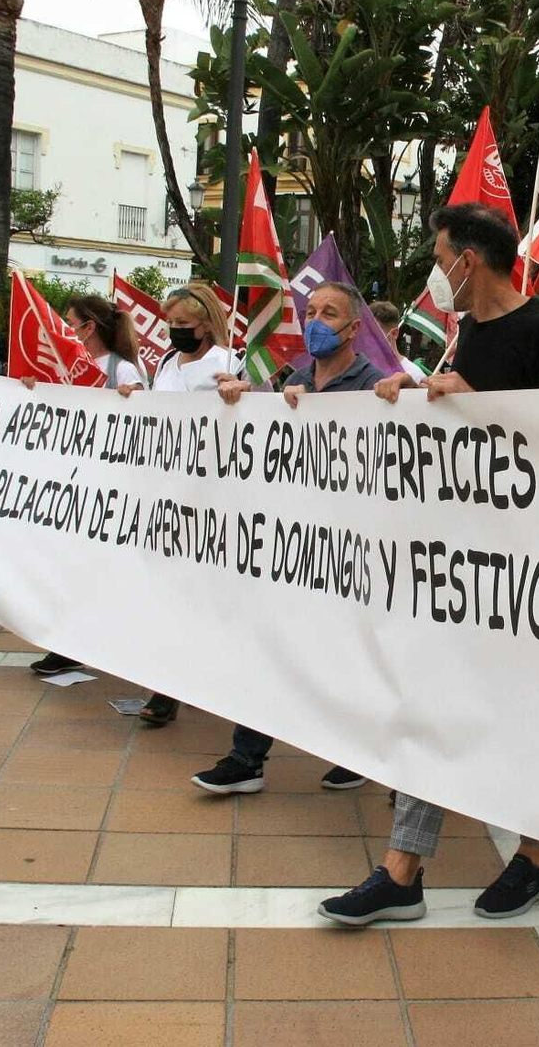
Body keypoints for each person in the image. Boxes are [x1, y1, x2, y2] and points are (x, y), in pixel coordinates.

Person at [319, 201, 539, 926]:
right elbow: (464, 431)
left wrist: (479, 399)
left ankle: (534, 856)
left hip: (530, 566)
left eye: (440, 258)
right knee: (432, 702)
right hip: (462, 560)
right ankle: (403, 870)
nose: (437, 273)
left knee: (519, 714)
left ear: (470, 258)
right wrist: (411, 395)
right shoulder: (466, 331)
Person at [191, 281, 382, 795]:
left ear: (354, 328)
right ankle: (246, 760)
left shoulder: (374, 385)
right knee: (270, 648)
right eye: (311, 310)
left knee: (345, 656)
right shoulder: (294, 380)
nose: (317, 320)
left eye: (330, 312)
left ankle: (358, 752)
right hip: (292, 548)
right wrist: (241, 402)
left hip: (348, 552)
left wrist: (399, 395)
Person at [20, 295, 146, 677]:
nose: (63, 327)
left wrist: (132, 400)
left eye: (69, 321)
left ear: (87, 327)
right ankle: (67, 643)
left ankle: (86, 642)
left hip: (105, 489)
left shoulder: (122, 371)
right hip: (68, 484)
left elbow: (145, 420)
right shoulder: (63, 367)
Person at [136, 283, 234, 725]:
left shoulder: (228, 363)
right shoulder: (165, 363)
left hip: (210, 498)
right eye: (170, 323)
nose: (175, 331)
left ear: (206, 324)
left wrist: (240, 394)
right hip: (164, 493)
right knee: (166, 593)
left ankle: (200, 679)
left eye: (183, 324)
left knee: (204, 597)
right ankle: (167, 686)